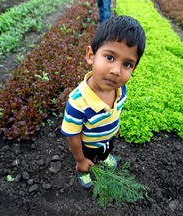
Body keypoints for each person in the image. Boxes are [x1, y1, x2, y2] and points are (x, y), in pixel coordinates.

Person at [61, 16, 146, 188]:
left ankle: (106, 156)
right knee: (89, 160)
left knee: (107, 150)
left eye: (127, 64)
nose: (116, 71)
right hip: (88, 146)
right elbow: (73, 136)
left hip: (108, 137)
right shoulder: (78, 103)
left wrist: (115, 125)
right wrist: (80, 158)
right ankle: (82, 170)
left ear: (134, 68)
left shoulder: (120, 90)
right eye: (109, 57)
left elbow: (116, 110)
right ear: (91, 55)